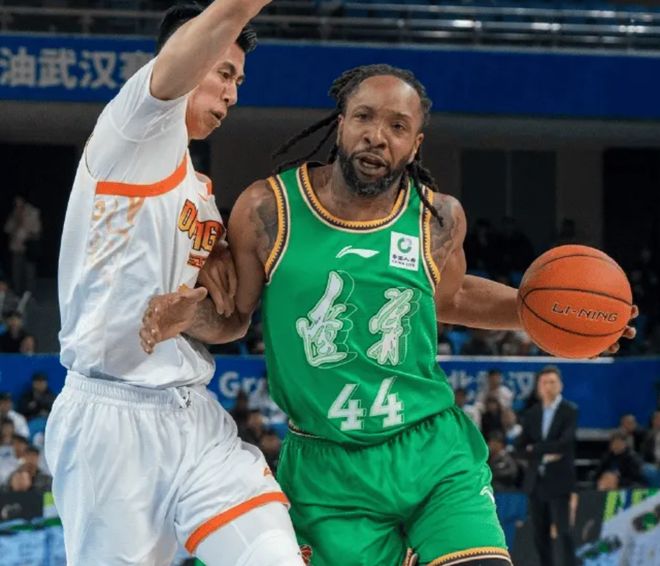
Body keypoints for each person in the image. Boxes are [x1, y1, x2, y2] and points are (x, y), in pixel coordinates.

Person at [140, 65, 636, 566]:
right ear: (341, 125)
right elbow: (236, 316)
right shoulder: (268, 209)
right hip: (327, 467)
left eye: (398, 126)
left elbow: (451, 298)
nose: (377, 135)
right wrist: (187, 320)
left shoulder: (438, 218)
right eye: (364, 117)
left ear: (415, 146)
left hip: (431, 451)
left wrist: (561, 321)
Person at [44, 2, 304, 566]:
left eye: (239, 82)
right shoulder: (132, 129)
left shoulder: (200, 194)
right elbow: (222, 17)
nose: (232, 94)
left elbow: (232, 323)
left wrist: (192, 318)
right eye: (224, 73)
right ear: (188, 56)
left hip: (192, 415)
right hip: (110, 421)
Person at [516, 366, 578, 566]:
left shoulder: (569, 411)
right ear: (538, 387)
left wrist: (535, 448)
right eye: (544, 382)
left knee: (564, 532)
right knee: (539, 535)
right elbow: (519, 447)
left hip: (559, 480)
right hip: (536, 480)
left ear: (560, 385)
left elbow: (565, 443)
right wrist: (544, 451)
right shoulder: (532, 413)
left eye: (552, 382)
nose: (548, 386)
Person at [3, 194, 41, 294]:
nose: (18, 205)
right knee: (16, 273)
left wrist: (28, 236)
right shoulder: (14, 213)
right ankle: (18, 294)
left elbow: (37, 232)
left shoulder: (33, 212)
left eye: (19, 202)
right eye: (16, 203)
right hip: (16, 248)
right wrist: (16, 220)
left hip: (28, 248)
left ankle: (30, 296)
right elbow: (7, 229)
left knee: (29, 273)